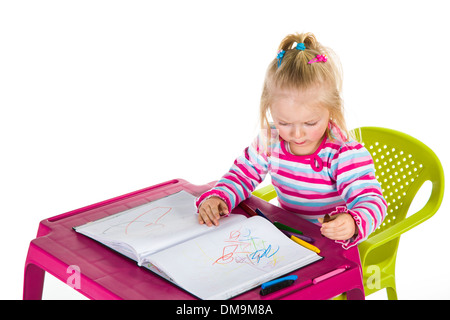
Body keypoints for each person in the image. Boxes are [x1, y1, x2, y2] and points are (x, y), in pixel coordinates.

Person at [196, 32, 387, 248]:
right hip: (290, 239)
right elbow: (241, 176)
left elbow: (372, 201)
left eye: (310, 123)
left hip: (335, 247)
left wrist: (353, 222)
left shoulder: (343, 154)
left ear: (331, 111)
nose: (297, 135)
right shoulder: (271, 140)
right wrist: (219, 197)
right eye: (285, 123)